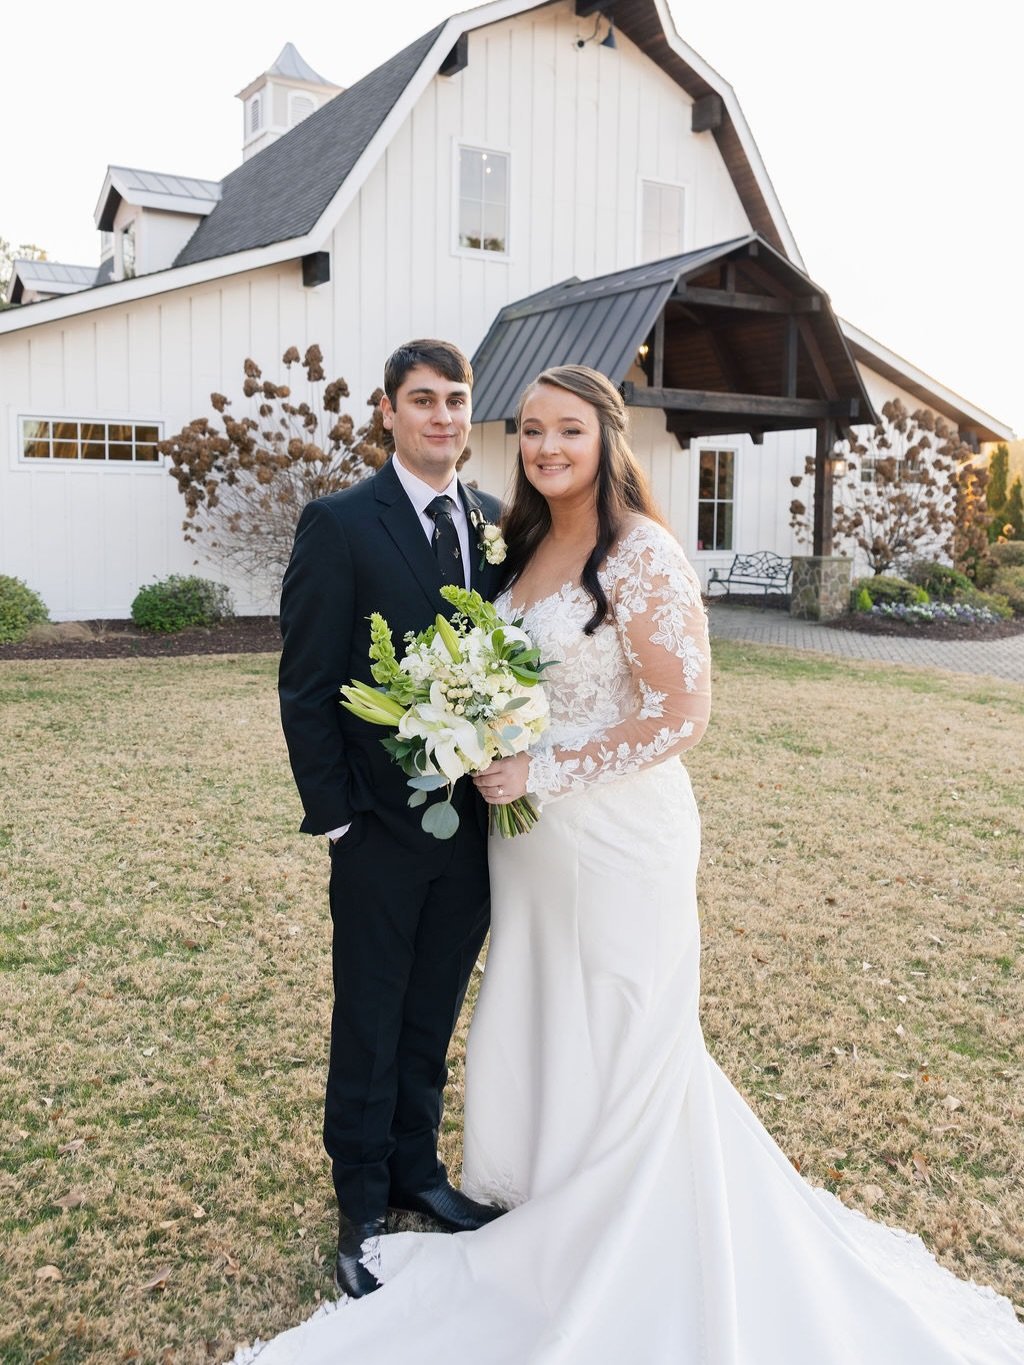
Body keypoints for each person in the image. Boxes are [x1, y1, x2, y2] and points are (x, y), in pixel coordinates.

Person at [252, 366, 1023, 1362]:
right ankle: (539, 1195)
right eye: (530, 430)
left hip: (613, 834)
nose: (545, 447)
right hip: (523, 842)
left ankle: (623, 1219)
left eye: (566, 429)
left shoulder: (641, 550)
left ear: (608, 436)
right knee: (537, 1006)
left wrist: (549, 765)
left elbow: (682, 711)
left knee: (619, 1013)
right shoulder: (516, 539)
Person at [277, 338, 505, 1300]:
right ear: (387, 411)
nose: (443, 417)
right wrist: (337, 822)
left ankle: (419, 1170)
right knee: (369, 1016)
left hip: (474, 833)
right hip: (376, 828)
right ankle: (362, 1201)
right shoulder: (339, 524)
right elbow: (307, 685)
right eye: (423, 401)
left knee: (432, 1009)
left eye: (456, 400)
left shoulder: (495, 522)